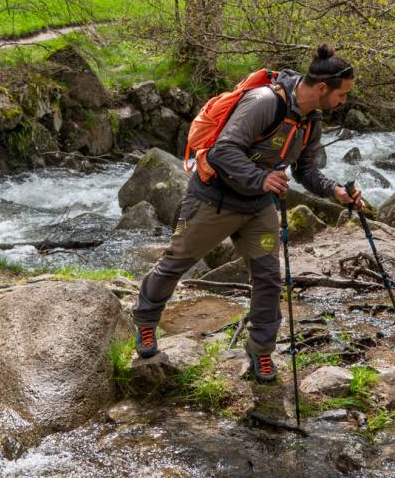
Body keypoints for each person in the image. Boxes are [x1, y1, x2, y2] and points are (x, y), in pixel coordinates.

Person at [132, 44, 365, 381]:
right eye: (342, 94)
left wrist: (336, 191)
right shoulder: (264, 102)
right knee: (175, 264)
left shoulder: (310, 121)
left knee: (269, 278)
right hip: (214, 200)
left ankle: (260, 351)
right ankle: (145, 321)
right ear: (322, 88)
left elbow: (306, 170)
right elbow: (223, 149)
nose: (344, 101)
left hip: (258, 208)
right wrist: (261, 177)